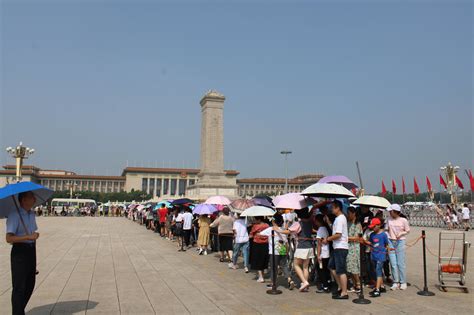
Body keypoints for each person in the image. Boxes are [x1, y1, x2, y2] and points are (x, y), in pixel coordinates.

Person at [6, 191, 40, 315]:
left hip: (31, 250)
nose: (34, 199)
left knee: (30, 284)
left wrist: (35, 236)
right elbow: (9, 238)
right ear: (24, 200)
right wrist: (27, 237)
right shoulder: (15, 215)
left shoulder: (31, 214)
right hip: (19, 252)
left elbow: (33, 232)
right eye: (32, 197)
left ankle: (19, 310)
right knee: (19, 287)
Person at [260, 213, 295, 290]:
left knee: (273, 268)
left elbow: (260, 234)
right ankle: (289, 280)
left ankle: (273, 283)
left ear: (273, 221)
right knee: (284, 265)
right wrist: (287, 250)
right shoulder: (283, 230)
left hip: (274, 251)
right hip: (282, 249)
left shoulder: (271, 229)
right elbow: (286, 242)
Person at [323, 200, 349, 300]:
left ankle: (344, 292)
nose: (331, 210)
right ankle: (340, 286)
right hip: (336, 247)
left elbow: (338, 235)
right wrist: (329, 223)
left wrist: (327, 239)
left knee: (341, 270)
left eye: (333, 208)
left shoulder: (340, 219)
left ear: (338, 208)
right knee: (331, 266)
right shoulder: (338, 219)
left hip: (340, 247)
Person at [363, 218, 389, 297]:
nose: (373, 228)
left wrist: (386, 252)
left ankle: (377, 289)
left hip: (380, 256)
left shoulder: (383, 234)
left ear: (379, 225)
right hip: (373, 255)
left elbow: (386, 244)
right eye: (372, 227)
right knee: (377, 271)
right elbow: (371, 243)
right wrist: (364, 241)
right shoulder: (372, 234)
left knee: (378, 271)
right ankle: (381, 286)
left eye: (374, 227)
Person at [386, 204, 410, 290]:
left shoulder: (403, 220)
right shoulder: (388, 219)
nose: (389, 212)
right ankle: (395, 281)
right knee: (393, 263)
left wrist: (401, 233)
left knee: (400, 263)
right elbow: (386, 229)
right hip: (390, 241)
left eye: (391, 211)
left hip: (400, 241)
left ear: (395, 211)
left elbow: (407, 230)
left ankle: (403, 282)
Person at [293, 207, 314, 292]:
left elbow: (290, 231)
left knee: (296, 264)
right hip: (309, 246)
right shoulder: (310, 222)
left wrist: (278, 230)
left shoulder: (299, 223)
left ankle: (304, 282)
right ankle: (305, 284)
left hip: (302, 246)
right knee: (305, 267)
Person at [249, 216, 269, 283]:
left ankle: (261, 277)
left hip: (257, 244)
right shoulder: (267, 225)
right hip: (266, 244)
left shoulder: (255, 226)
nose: (255, 221)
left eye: (256, 219)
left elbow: (251, 235)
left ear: (259, 220)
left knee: (258, 260)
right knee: (263, 259)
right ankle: (262, 275)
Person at [315, 214, 331, 293]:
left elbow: (319, 244)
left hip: (322, 253)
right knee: (325, 269)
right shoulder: (325, 228)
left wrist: (318, 255)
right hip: (327, 252)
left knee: (321, 270)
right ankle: (327, 283)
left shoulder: (320, 229)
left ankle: (325, 286)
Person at [347, 206, 362, 293]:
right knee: (349, 266)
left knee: (354, 266)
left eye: (349, 213)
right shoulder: (348, 223)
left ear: (354, 213)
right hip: (348, 246)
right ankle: (354, 284)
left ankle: (358, 283)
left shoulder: (358, 224)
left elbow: (357, 237)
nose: (348, 215)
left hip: (355, 247)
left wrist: (347, 238)